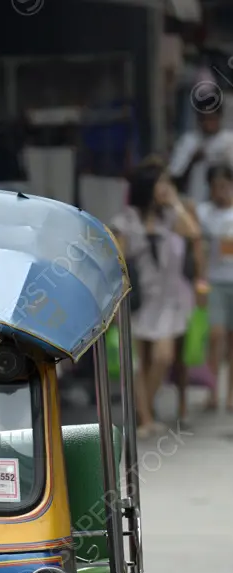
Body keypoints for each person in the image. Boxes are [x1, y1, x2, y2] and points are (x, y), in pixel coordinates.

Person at [111, 160, 201, 438]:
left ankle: (144, 409)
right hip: (138, 299)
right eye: (160, 183)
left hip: (167, 299)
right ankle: (145, 418)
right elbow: (117, 262)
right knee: (140, 362)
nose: (164, 188)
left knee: (163, 356)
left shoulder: (170, 218)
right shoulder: (126, 221)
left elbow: (193, 232)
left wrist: (174, 202)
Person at [197, 163, 233, 411]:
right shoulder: (203, 213)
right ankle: (212, 390)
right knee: (216, 334)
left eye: (225, 185)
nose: (221, 191)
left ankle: (230, 394)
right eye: (216, 186)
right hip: (213, 282)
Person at [168, 103, 233, 205]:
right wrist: (192, 160)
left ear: (219, 118)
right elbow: (174, 176)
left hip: (226, 204)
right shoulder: (188, 141)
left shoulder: (229, 140)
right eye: (204, 119)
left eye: (212, 118)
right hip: (196, 200)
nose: (208, 123)